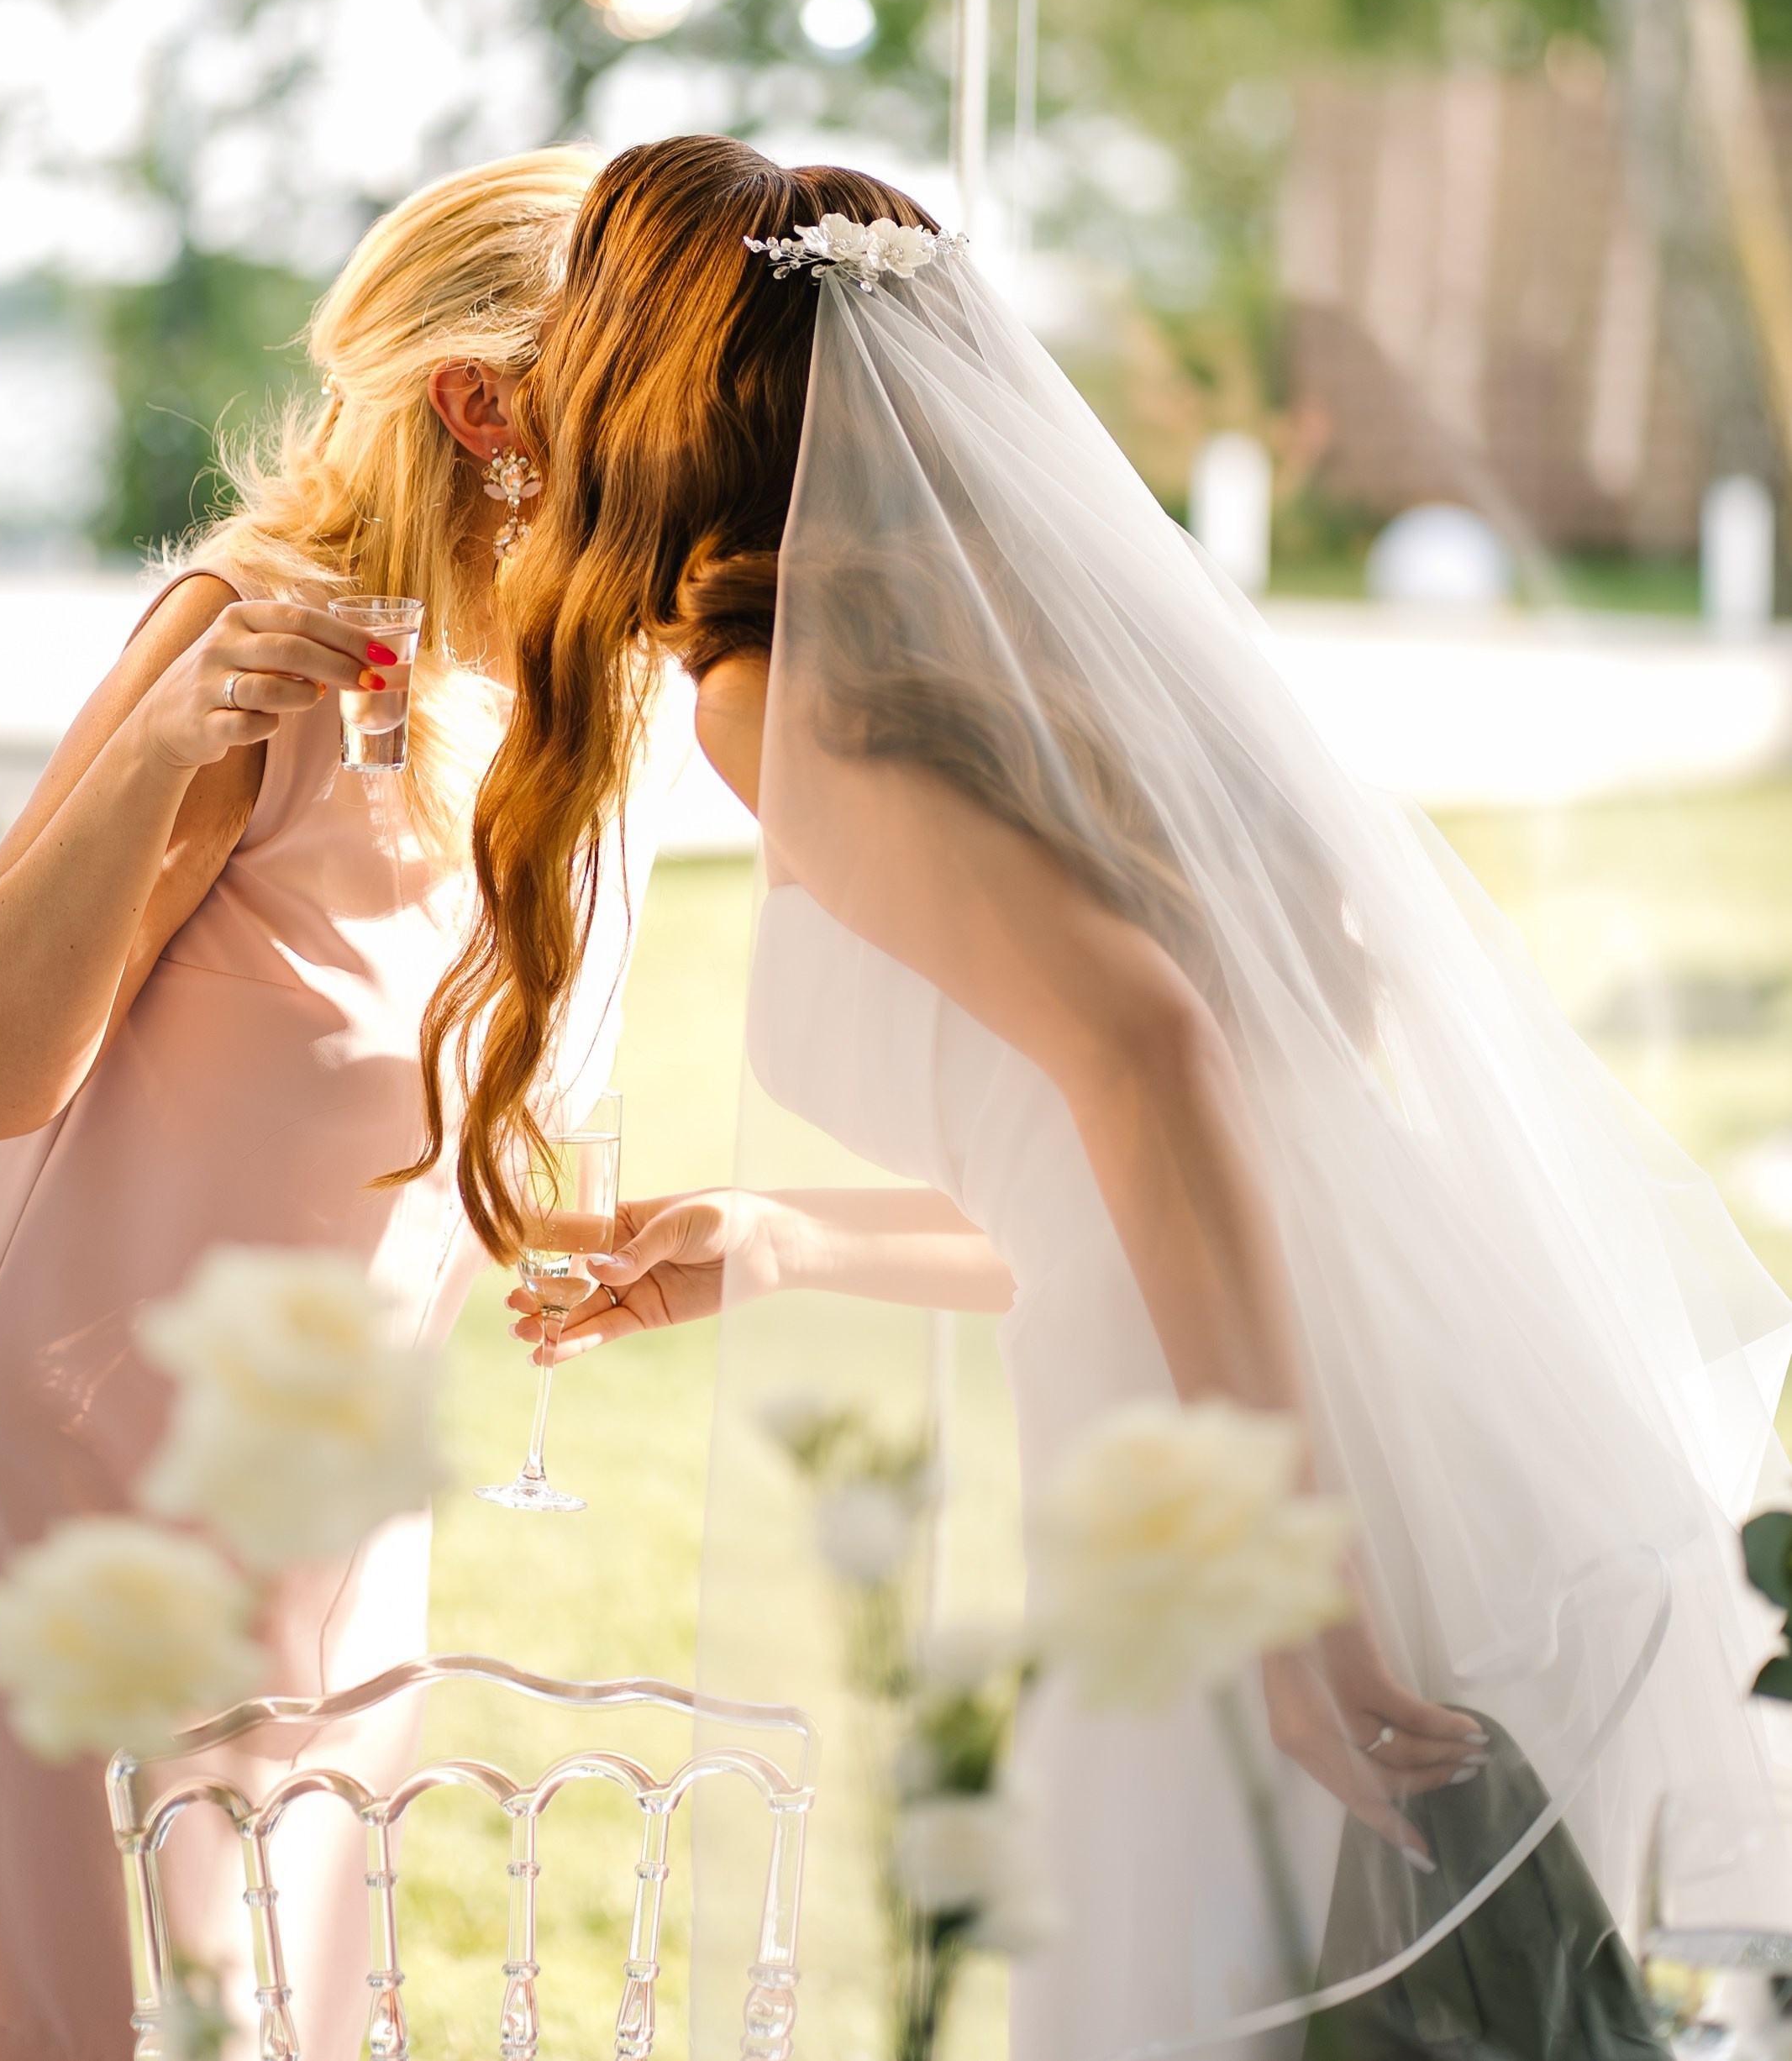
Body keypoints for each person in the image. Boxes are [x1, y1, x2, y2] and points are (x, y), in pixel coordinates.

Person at [419, 133, 1792, 2061]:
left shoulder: (778, 692)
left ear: (651, 381)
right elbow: (1164, 1164)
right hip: (1334, 1416)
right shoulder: (1016, 670)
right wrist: (795, 1235)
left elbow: (1149, 1057)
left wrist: (1287, 1590)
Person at [0, 150, 671, 2061]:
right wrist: (160, 734)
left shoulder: (582, 684)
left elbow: (383, 1078)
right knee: (129, 2011)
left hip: (325, 1477)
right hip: (98, 1459)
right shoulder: (269, 645)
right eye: (654, 377)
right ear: (488, 405)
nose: (704, 425)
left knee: (264, 2007)